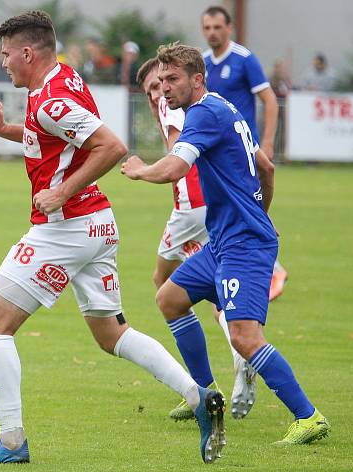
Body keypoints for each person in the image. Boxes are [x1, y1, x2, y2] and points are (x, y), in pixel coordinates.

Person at [0, 11, 225, 466]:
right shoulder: (63, 81)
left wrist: (61, 190)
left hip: (67, 228)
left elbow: (111, 146)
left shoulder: (50, 99)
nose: (3, 65)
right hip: (98, 224)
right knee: (111, 333)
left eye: (5, 55)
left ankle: (12, 443)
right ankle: (198, 396)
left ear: (26, 52)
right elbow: (60, 138)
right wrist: (4, 130)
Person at [121, 42, 330, 446]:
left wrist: (140, 170)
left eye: (173, 79)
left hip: (243, 245)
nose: (165, 88)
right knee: (169, 298)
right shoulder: (223, 108)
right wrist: (262, 214)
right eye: (161, 80)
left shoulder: (202, 114)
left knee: (244, 337)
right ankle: (205, 393)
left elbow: (176, 168)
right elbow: (265, 168)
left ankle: (308, 416)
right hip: (225, 238)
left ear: (197, 79)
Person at [133, 57, 249, 421]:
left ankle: (209, 379)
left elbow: (176, 156)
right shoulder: (203, 107)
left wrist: (143, 170)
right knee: (203, 286)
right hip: (208, 208)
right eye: (150, 90)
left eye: (160, 85)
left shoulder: (174, 109)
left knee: (163, 283)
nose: (157, 94)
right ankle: (235, 351)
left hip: (191, 209)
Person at [200, 5, 288, 405]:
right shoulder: (200, 65)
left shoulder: (243, 59)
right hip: (217, 169)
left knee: (219, 255)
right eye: (207, 27)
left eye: (218, 26)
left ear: (229, 28)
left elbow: (269, 100)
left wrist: (265, 143)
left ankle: (239, 355)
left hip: (243, 165)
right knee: (169, 286)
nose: (212, 33)